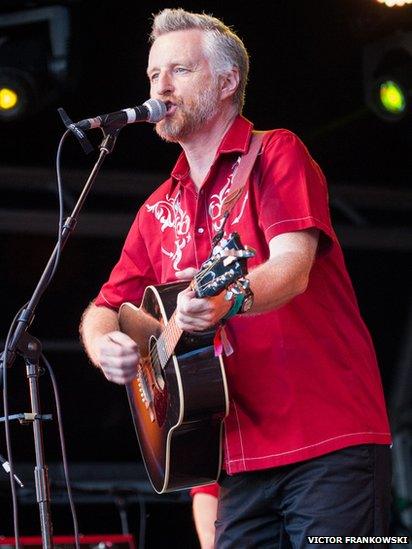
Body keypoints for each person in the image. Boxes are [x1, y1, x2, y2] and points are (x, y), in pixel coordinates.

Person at [80, 8, 392, 548]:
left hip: (326, 442)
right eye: (154, 75)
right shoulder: (155, 210)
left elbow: (292, 268)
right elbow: (105, 307)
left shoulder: (276, 153)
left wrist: (232, 298)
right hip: (232, 459)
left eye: (179, 70)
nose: (160, 86)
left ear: (227, 82)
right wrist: (102, 345)